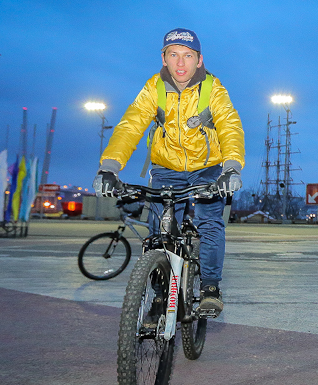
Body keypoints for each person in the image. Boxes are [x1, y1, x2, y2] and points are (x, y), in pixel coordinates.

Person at [93, 28, 245, 317]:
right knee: (157, 231)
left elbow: (230, 126)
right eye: (173, 55)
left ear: (199, 60)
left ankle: (210, 287)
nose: (180, 63)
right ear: (163, 58)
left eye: (187, 56)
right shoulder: (154, 88)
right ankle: (161, 293)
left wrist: (231, 167)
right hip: (166, 169)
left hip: (207, 168)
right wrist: (109, 167)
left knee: (210, 222)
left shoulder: (213, 89)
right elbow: (131, 125)